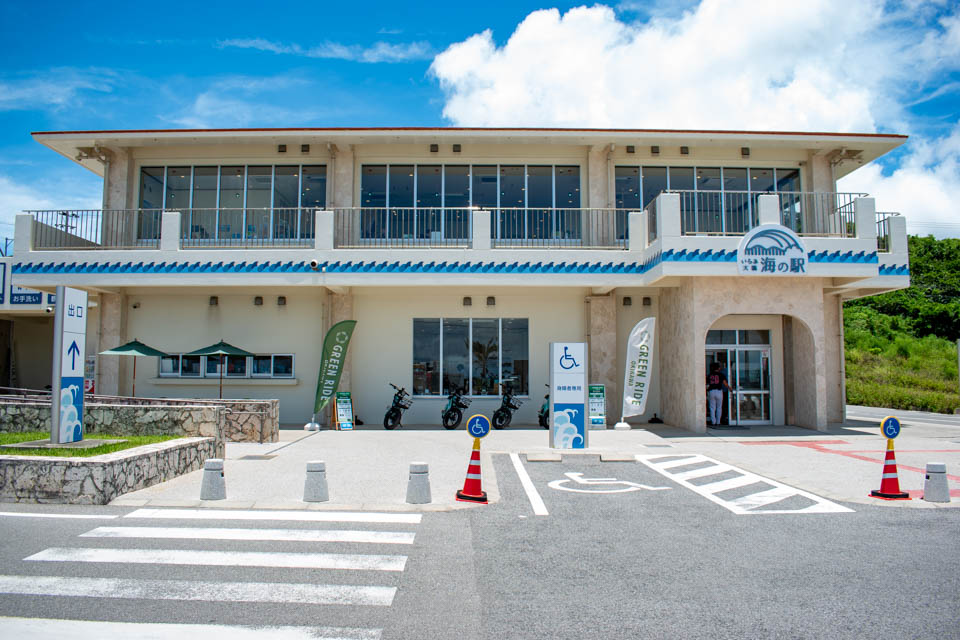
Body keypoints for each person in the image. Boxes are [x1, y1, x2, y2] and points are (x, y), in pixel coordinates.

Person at [706, 362, 731, 427]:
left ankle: (713, 422)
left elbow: (706, 383)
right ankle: (718, 422)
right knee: (719, 407)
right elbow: (725, 383)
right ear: (718, 368)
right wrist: (730, 388)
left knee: (712, 407)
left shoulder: (710, 375)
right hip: (719, 391)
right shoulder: (721, 374)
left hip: (711, 391)